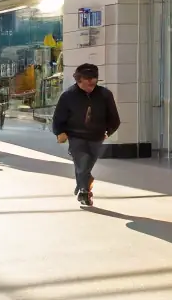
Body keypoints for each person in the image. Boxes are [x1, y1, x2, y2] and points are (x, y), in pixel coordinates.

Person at [51, 63, 121, 206]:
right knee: (82, 164)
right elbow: (58, 117)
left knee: (86, 166)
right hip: (76, 136)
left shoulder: (105, 95)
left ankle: (84, 184)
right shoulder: (68, 96)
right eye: (87, 78)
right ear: (79, 80)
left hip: (97, 136)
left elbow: (114, 118)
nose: (91, 81)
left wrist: (109, 131)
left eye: (94, 78)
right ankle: (84, 191)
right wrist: (60, 132)